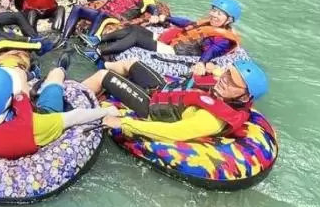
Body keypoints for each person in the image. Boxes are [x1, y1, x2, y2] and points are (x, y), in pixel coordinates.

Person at [0, 59, 116, 159]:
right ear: (10, 99)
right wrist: (107, 112)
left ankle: (35, 76)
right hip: (43, 112)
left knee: (24, 82)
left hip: (9, 116)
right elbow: (76, 116)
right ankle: (60, 67)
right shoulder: (35, 125)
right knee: (55, 78)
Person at [81, 56, 267, 143]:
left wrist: (125, 124)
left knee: (103, 76)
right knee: (132, 62)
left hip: (152, 110)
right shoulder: (226, 91)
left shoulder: (213, 118)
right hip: (166, 91)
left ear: (244, 96)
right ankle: (97, 58)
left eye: (232, 81)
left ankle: (69, 99)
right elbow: (218, 73)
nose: (224, 80)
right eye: (227, 74)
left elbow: (173, 132)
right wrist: (210, 66)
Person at [88, 0, 243, 63]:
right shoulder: (208, 23)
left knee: (137, 38)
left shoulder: (223, 38)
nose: (214, 15)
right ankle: (98, 40)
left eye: (220, 14)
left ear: (229, 20)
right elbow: (187, 23)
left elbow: (212, 51)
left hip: (179, 52)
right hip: (175, 42)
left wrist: (202, 63)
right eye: (214, 11)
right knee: (135, 28)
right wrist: (166, 18)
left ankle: (98, 53)